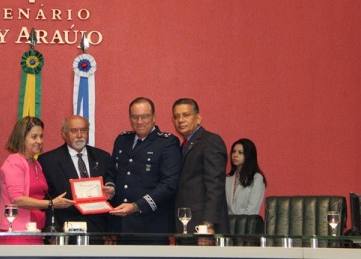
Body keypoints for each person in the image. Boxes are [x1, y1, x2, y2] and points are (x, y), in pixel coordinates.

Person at [106, 97, 182, 244]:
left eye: (145, 116)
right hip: (121, 226)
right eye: (135, 117)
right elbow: (112, 173)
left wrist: (136, 206)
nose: (140, 121)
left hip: (152, 226)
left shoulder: (167, 143)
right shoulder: (122, 140)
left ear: (154, 117)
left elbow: (169, 185)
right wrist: (111, 187)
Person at [0, 116, 74, 245]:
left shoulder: (36, 164)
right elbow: (18, 199)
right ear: (21, 138)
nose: (39, 141)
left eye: (41, 136)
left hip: (36, 230)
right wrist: (51, 204)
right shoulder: (14, 162)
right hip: (17, 232)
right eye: (34, 137)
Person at [39, 115, 114, 242]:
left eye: (83, 130)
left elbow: (112, 194)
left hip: (98, 233)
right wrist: (51, 231)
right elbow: (46, 199)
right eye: (74, 131)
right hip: (64, 233)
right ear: (64, 134)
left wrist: (111, 232)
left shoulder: (103, 158)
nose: (79, 135)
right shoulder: (48, 161)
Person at [173, 98, 229, 235]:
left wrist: (208, 224)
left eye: (186, 115)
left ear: (198, 118)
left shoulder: (210, 141)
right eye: (176, 116)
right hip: (186, 223)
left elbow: (215, 186)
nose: (180, 120)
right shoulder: (184, 145)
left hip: (203, 226)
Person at [225, 138, 267, 215]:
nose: (235, 155)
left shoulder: (256, 178)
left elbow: (252, 210)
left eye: (240, 152)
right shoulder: (227, 179)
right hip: (229, 224)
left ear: (248, 155)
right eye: (234, 152)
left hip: (247, 224)